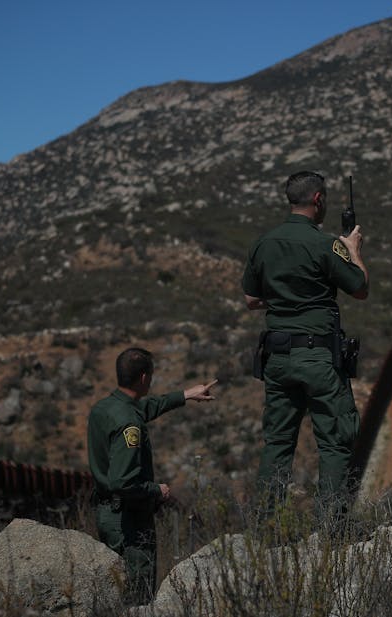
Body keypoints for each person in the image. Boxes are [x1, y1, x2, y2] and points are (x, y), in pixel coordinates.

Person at [241, 170, 369, 521]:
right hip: (318, 358)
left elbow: (252, 299)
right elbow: (360, 288)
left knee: (278, 444)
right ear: (318, 200)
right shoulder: (325, 245)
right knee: (336, 439)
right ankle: (331, 526)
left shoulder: (263, 244)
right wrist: (352, 250)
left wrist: (286, 300)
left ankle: (264, 527)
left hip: (278, 358)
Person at [86, 347, 217, 604]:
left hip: (108, 514)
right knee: (137, 596)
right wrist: (157, 490)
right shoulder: (129, 424)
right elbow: (123, 482)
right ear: (144, 378)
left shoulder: (105, 408)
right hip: (129, 522)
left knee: (115, 593)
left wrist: (186, 395)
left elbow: (144, 407)